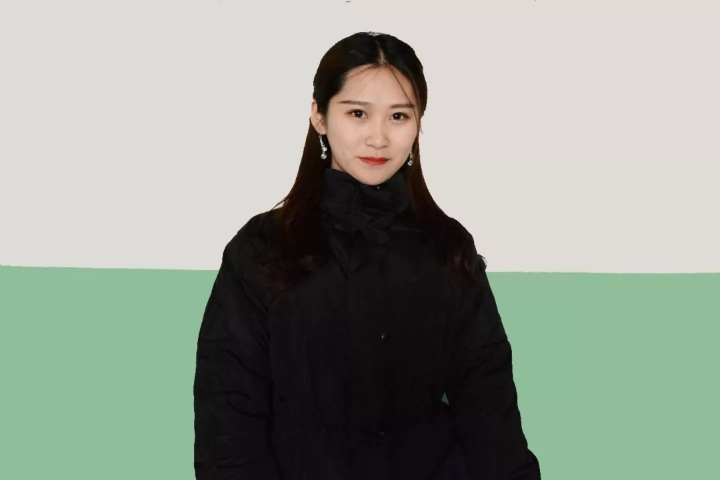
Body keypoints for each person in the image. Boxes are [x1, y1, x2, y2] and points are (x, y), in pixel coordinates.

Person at [193, 31, 541, 480]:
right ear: (319, 116)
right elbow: (228, 415)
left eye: (399, 116)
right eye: (357, 113)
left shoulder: (447, 248)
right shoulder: (264, 249)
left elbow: (490, 407)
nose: (379, 138)